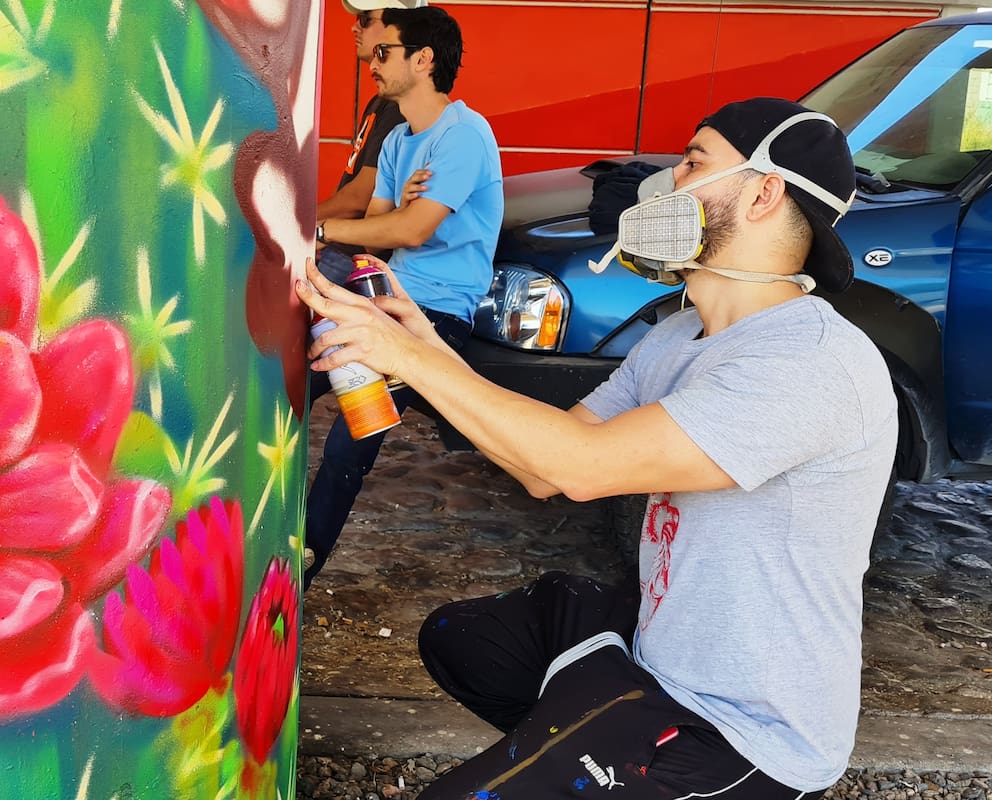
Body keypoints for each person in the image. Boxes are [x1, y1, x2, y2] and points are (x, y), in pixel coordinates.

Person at [296, 97, 896, 798]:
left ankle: (613, 761)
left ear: (765, 193)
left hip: (741, 730)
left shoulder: (808, 362)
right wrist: (426, 350)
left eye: (695, 161)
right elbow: (547, 465)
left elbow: (579, 470)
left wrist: (413, 358)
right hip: (660, 653)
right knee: (465, 640)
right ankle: (587, 747)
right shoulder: (677, 337)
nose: (672, 179)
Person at [304, 4, 503, 587]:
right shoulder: (399, 142)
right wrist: (400, 209)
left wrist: (322, 229)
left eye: (383, 51)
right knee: (286, 385)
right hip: (383, 303)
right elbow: (381, 224)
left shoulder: (465, 134)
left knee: (350, 442)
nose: (371, 60)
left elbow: (409, 231)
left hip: (434, 318)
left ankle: (297, 578)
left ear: (424, 59)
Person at [316, 0, 428, 283]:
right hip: (347, 252)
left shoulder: (400, 107)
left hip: (351, 260)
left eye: (366, 19)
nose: (355, 27)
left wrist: (302, 224)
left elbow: (361, 197)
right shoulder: (384, 102)